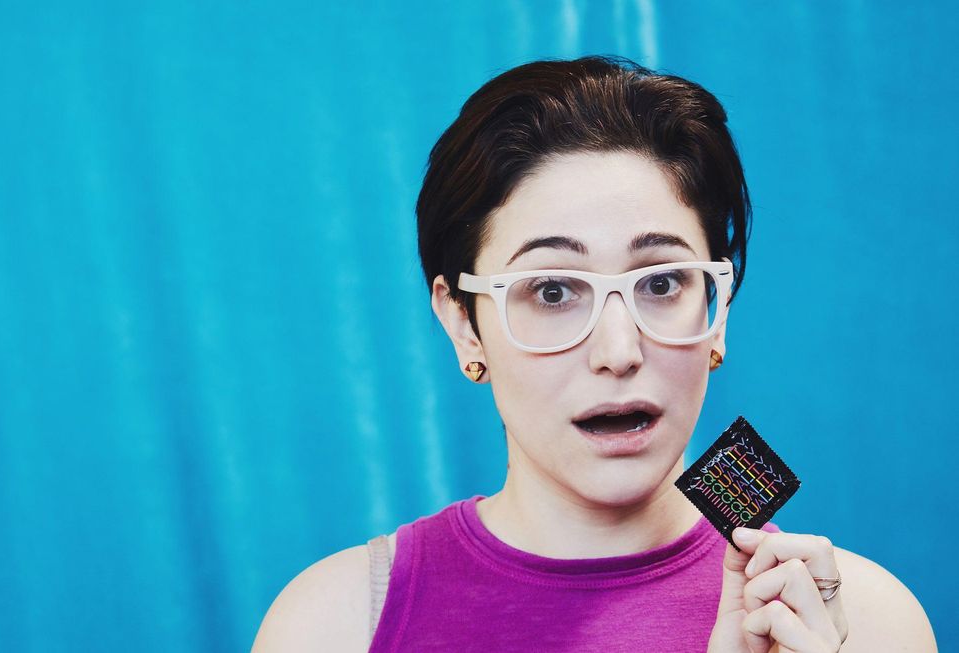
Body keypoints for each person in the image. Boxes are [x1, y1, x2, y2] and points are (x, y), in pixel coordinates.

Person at [251, 55, 937, 652]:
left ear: (716, 312)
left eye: (661, 283)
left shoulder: (866, 625)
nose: (618, 350)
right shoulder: (332, 625)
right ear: (464, 324)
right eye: (552, 291)